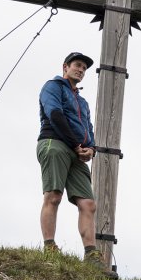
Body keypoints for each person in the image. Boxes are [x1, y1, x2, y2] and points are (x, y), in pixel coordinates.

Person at [37, 51, 102, 266]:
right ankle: (49, 247)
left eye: (84, 68)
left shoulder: (82, 103)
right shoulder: (52, 87)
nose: (81, 70)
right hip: (54, 142)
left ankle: (91, 255)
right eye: (77, 65)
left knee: (88, 203)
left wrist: (91, 149)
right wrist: (76, 144)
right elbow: (55, 114)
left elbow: (89, 129)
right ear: (65, 67)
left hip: (78, 152)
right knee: (53, 196)